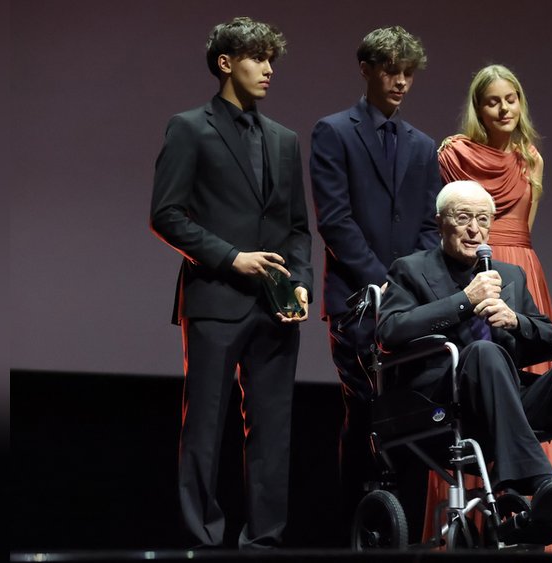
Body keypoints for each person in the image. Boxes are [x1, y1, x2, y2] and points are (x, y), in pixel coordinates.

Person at [377, 180, 552, 543]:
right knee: (485, 351)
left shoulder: (508, 275)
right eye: (463, 218)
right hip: (446, 403)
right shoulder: (410, 269)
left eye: (483, 219)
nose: (475, 229)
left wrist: (516, 320)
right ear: (441, 222)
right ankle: (537, 483)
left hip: (507, 398)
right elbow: (391, 331)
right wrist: (463, 300)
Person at [149, 17, 313, 549]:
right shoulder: (189, 126)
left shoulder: (285, 140)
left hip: (275, 307)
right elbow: (167, 214)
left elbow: (296, 228)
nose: (268, 70)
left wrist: (302, 282)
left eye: (272, 60)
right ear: (226, 62)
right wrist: (231, 258)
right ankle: (202, 539)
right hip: (216, 299)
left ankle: (264, 541)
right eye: (257, 58)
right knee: (205, 429)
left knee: (273, 432)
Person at [434, 64, 552, 551]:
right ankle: (486, 514)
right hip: (476, 264)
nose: (504, 109)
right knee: (482, 374)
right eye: (492, 101)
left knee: (534, 369)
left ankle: (545, 508)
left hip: (519, 267)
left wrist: (516, 277)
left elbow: (521, 227)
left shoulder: (530, 159)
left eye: (511, 99)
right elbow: (469, 220)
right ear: (478, 108)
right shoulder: (455, 152)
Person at [308, 25, 443, 533]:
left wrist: (410, 285)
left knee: (412, 414)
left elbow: (431, 225)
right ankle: (357, 528)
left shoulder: (423, 144)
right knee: (366, 411)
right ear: (365, 69)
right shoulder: (334, 130)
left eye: (408, 72)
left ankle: (403, 527)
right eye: (391, 70)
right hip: (358, 303)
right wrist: (382, 283)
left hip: (409, 307)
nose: (401, 81)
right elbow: (335, 219)